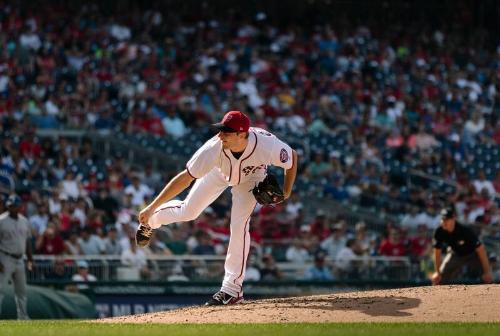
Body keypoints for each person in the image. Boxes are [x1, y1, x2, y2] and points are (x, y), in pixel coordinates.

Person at [136, 110, 298, 305]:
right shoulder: (213, 148)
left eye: (226, 132)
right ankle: (151, 221)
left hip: (252, 177)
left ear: (242, 134)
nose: (220, 135)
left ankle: (231, 289)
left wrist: (287, 192)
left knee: (239, 226)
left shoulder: (267, 145)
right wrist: (152, 206)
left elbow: (292, 158)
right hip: (219, 172)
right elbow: (185, 178)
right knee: (189, 211)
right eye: (221, 130)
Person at [431, 206, 493, 285]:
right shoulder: (439, 231)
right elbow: (437, 252)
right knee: (438, 279)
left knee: (487, 278)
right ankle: (436, 296)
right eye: (442, 219)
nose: (444, 222)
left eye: (447, 219)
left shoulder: (464, 229)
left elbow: (480, 249)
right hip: (455, 254)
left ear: (453, 219)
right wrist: (437, 272)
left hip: (473, 254)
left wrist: (487, 271)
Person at [0, 195, 33, 320]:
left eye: (15, 205)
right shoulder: (1, 220)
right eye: (11, 205)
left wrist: (30, 260)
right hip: (5, 257)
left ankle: (23, 317)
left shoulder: (24, 220)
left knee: (21, 291)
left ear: (20, 207)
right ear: (7, 206)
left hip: (20, 259)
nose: (13, 207)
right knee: (0, 289)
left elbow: (28, 241)